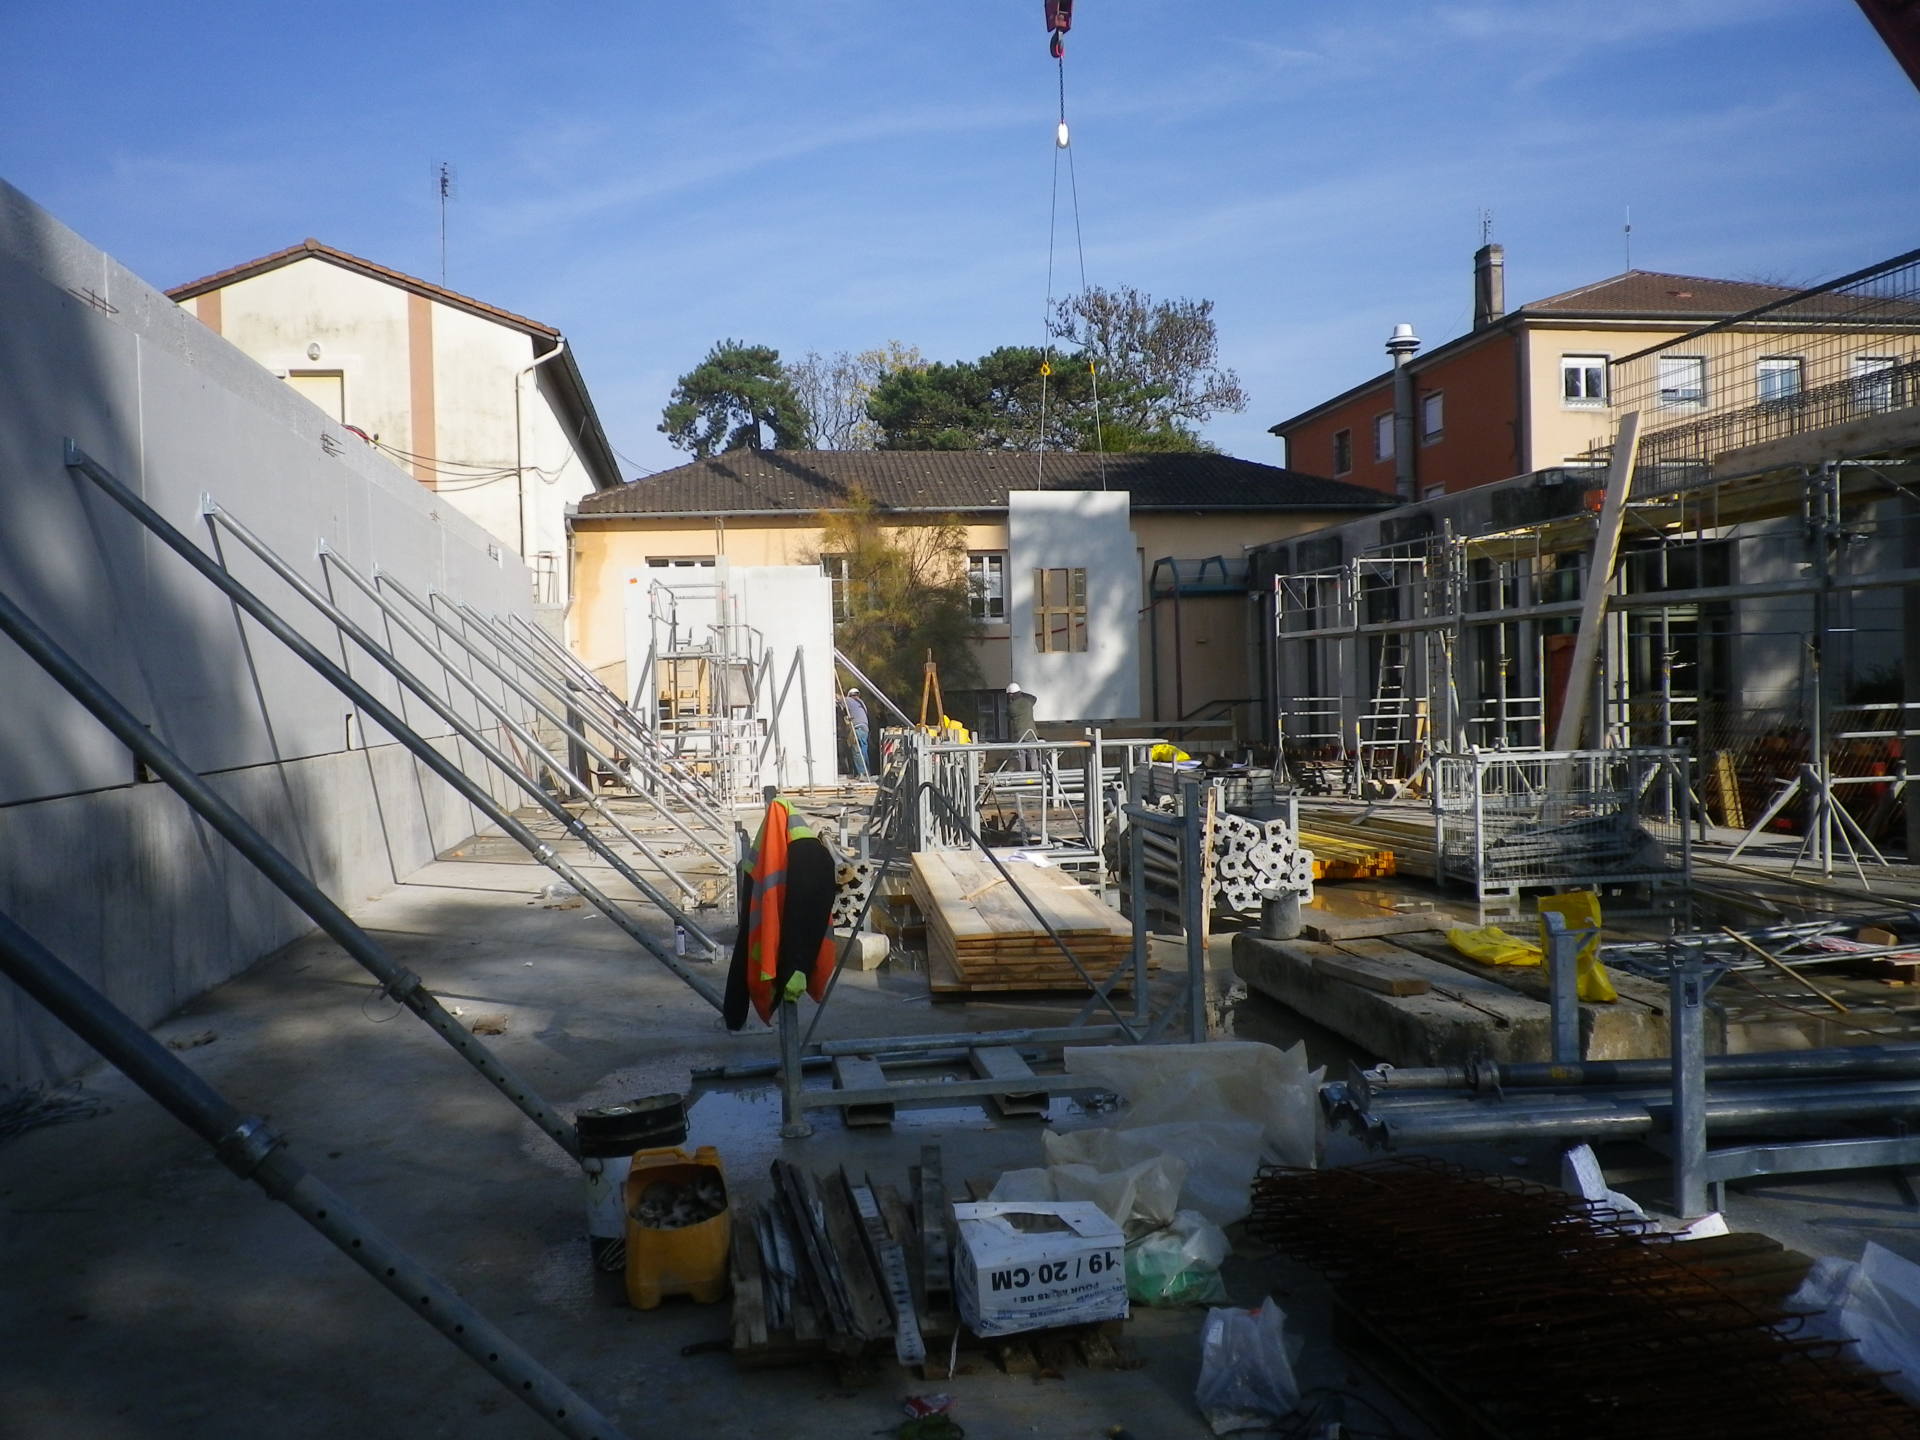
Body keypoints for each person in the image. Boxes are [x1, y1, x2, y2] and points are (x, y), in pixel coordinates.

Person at [841, 688, 870, 777]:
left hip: (857, 728)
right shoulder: (862, 703)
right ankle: (867, 772)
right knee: (864, 751)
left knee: (856, 750)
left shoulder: (848, 700)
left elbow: (838, 699)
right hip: (865, 728)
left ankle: (861, 773)